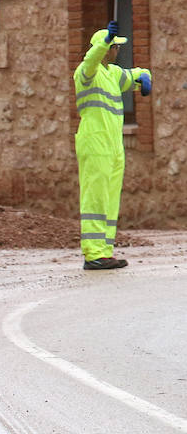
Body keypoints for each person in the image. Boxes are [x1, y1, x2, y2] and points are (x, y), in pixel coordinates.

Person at [73, 21, 151, 270]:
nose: (118, 50)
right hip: (95, 143)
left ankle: (104, 252)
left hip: (113, 146)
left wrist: (145, 78)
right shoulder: (87, 73)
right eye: (115, 47)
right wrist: (105, 40)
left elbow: (136, 74)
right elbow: (90, 60)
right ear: (106, 48)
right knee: (95, 199)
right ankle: (93, 254)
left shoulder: (112, 74)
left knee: (108, 200)